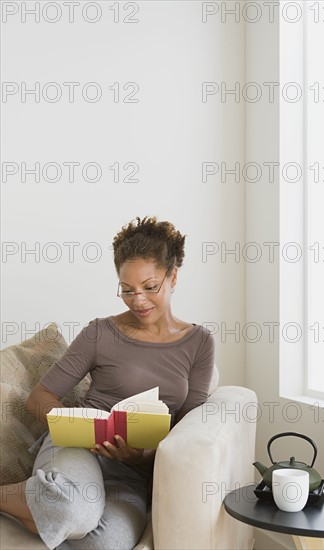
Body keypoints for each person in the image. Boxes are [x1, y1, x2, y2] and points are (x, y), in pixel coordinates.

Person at [0, 216, 215, 550]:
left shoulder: (199, 343)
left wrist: (141, 456)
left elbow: (188, 428)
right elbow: (40, 397)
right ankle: (24, 494)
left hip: (131, 474)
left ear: (173, 276)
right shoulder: (99, 332)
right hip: (77, 450)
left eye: (150, 287)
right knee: (75, 512)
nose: (138, 300)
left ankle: (46, 496)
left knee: (104, 544)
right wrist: (78, 426)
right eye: (127, 290)